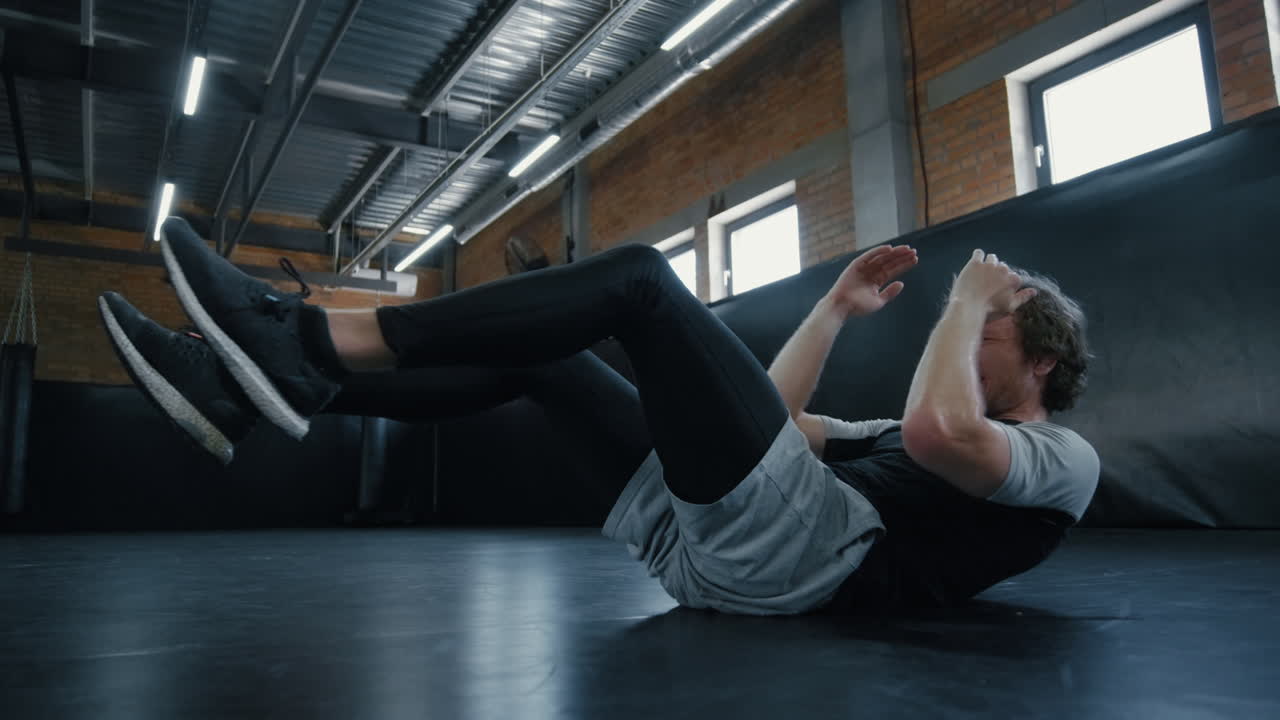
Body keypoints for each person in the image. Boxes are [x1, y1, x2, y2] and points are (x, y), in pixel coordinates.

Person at [97, 216, 1098, 615]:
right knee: (550, 357)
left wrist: (968, 294)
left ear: (1041, 361)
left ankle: (311, 340)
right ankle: (258, 385)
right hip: (717, 553)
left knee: (639, 281)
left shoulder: (1061, 458)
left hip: (799, 561)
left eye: (989, 329)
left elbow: (938, 432)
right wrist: (833, 309)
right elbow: (776, 423)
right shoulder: (897, 439)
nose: (962, 333)